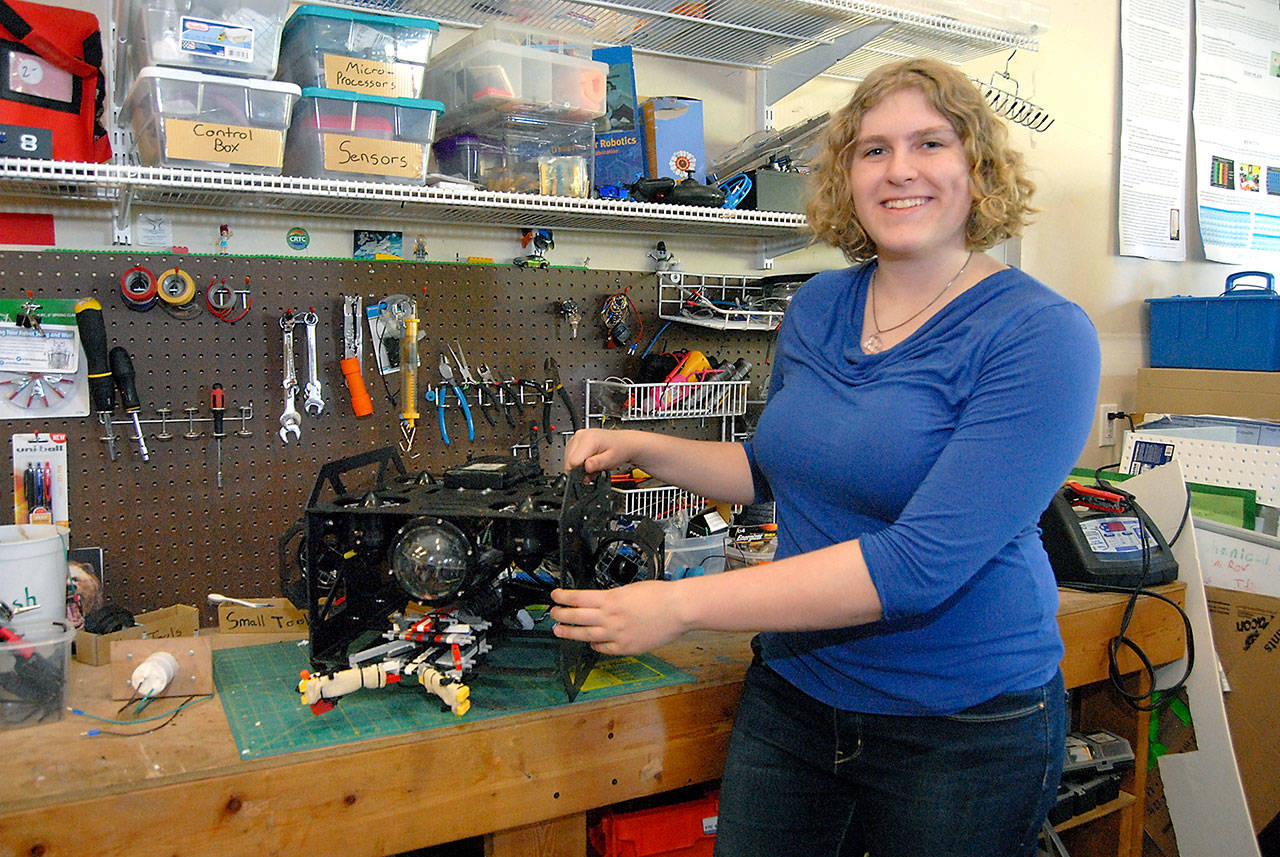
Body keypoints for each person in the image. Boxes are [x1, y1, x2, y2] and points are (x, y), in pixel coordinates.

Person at [551, 56, 1101, 857]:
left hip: (962, 727)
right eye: (873, 149)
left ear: (978, 167)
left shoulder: (1040, 334)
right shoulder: (821, 303)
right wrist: (642, 446)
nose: (899, 170)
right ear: (847, 175)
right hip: (797, 700)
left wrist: (680, 605)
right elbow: (781, 471)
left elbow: (918, 566)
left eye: (930, 144)